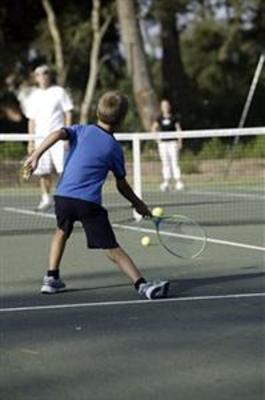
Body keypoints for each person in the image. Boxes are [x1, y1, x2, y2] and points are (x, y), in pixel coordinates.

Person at [24, 91, 169, 300]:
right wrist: (138, 204)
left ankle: (51, 278)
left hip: (63, 197)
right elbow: (122, 185)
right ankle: (143, 285)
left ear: (98, 111)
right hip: (88, 204)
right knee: (111, 248)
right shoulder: (114, 148)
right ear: (121, 119)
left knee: (61, 231)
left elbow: (57, 133)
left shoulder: (80, 130)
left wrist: (36, 155)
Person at [26, 64, 73, 211]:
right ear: (36, 78)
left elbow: (68, 113)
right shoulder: (33, 96)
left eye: (46, 73)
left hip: (59, 138)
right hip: (40, 139)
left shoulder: (59, 92)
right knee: (43, 172)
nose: (43, 76)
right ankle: (46, 198)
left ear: (49, 75)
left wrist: (67, 135)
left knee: (64, 170)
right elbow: (31, 120)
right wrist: (30, 141)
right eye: (40, 73)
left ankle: (67, 197)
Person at [152, 99, 184, 192]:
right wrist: (157, 140)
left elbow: (178, 129)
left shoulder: (174, 117)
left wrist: (180, 141)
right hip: (163, 144)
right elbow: (153, 128)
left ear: (169, 107)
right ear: (161, 108)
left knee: (175, 162)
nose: (165, 107)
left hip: (173, 143)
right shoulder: (159, 118)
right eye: (163, 106)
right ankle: (166, 182)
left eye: (166, 105)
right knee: (165, 163)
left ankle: (178, 182)